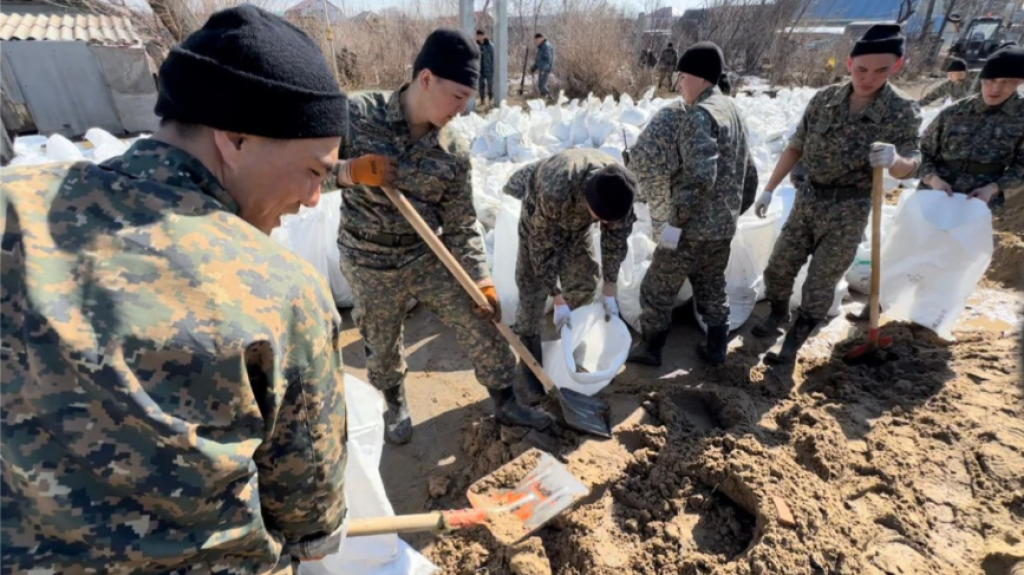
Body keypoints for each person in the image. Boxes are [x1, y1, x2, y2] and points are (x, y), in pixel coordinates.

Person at [1, 6, 349, 573]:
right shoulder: (279, 290)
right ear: (235, 139)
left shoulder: (13, 204)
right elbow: (308, 515)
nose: (314, 199)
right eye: (314, 171)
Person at [333, 29, 552, 445]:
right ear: (426, 78)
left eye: (468, 100)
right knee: (380, 343)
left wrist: (481, 279)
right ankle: (394, 400)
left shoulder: (452, 151)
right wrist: (349, 172)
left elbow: (461, 225)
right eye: (457, 97)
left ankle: (505, 400)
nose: (462, 109)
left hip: (424, 255)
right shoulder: (356, 115)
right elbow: (303, 172)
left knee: (481, 318)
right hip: (367, 259)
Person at [750, 24, 922, 364]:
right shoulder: (825, 100)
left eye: (880, 71)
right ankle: (777, 314)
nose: (868, 78)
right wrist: (768, 190)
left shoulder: (901, 110)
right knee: (778, 268)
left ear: (896, 67)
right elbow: (795, 146)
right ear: (848, 63)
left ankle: (794, 341)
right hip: (808, 199)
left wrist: (896, 161)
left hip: (850, 207)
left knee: (821, 280)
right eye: (861, 69)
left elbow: (913, 164)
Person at [626, 42, 758, 367]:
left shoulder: (700, 115)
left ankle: (651, 349)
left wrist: (675, 223)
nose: (678, 85)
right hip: (722, 227)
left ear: (699, 77)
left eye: (681, 77)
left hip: (692, 228)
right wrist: (732, 214)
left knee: (656, 288)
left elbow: (699, 177)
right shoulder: (733, 112)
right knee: (712, 285)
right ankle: (716, 349)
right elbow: (748, 172)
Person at [504, 150, 637, 399]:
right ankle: (530, 370)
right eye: (600, 219)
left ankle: (575, 351)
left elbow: (615, 242)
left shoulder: (622, 194)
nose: (605, 225)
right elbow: (541, 250)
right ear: (588, 199)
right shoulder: (555, 187)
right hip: (540, 213)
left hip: (579, 222)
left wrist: (610, 287)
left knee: (584, 282)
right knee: (532, 288)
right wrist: (556, 297)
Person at [918, 46, 1024, 204]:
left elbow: (1021, 166)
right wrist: (933, 180)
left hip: (981, 203)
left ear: (1020, 82)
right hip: (935, 196)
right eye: (991, 80)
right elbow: (922, 150)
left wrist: (993, 188)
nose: (995, 88)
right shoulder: (954, 112)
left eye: (1006, 82)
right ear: (981, 79)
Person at [532, 33, 555, 97]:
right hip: (543, 68)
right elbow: (539, 59)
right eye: (535, 40)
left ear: (541, 39)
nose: (536, 42)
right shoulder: (541, 47)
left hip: (545, 68)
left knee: (543, 85)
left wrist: (544, 68)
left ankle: (549, 98)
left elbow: (548, 59)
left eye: (537, 40)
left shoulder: (545, 46)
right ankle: (545, 98)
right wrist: (534, 67)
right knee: (541, 85)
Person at [476, 29, 495, 106]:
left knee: (490, 85)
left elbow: (493, 58)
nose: (480, 37)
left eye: (481, 35)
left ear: (484, 36)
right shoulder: (475, 45)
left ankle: (490, 98)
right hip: (479, 69)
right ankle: (482, 100)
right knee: (481, 86)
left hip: (488, 69)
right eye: (478, 35)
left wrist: (492, 67)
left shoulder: (490, 46)